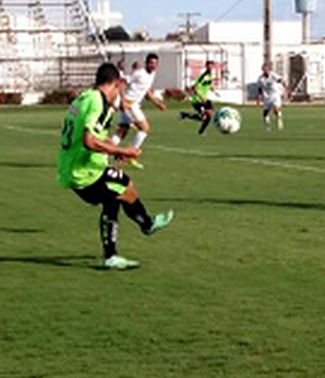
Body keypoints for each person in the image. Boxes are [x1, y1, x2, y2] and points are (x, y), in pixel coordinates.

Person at [58, 62, 174, 270]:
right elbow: (89, 141)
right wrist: (123, 151)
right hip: (84, 173)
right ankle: (146, 224)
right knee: (125, 185)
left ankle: (113, 254)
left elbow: (91, 136)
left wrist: (112, 149)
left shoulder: (84, 98)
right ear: (116, 84)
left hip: (73, 168)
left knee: (113, 198)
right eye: (120, 88)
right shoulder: (97, 101)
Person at [115, 53, 165, 168]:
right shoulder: (139, 73)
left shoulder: (152, 75)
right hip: (129, 104)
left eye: (155, 64)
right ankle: (128, 155)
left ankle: (102, 154)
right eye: (151, 63)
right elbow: (122, 83)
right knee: (144, 128)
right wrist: (123, 101)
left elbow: (147, 92)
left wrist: (157, 103)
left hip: (131, 105)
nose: (153, 65)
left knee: (122, 132)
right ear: (146, 63)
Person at [179, 60, 217, 134]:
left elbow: (207, 85)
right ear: (206, 66)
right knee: (204, 117)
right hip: (197, 100)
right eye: (209, 66)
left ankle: (201, 131)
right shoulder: (203, 76)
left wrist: (213, 90)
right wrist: (200, 97)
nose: (210, 67)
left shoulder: (210, 76)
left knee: (210, 116)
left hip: (205, 99)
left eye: (212, 66)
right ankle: (186, 115)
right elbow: (194, 88)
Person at [256, 62, 287, 131]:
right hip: (267, 96)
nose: (265, 70)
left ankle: (279, 119)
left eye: (266, 69)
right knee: (265, 113)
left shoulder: (273, 75)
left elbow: (281, 81)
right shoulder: (260, 79)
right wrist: (258, 98)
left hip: (275, 94)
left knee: (276, 109)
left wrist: (285, 90)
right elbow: (259, 89)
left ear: (269, 69)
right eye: (264, 69)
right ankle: (267, 126)